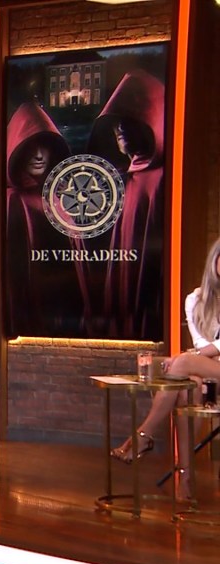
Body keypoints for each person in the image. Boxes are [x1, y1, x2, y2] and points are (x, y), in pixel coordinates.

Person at [111, 238, 220, 500]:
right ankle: (186, 478)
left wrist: (187, 358)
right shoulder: (195, 300)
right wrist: (193, 358)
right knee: (188, 389)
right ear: (214, 261)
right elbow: (201, 344)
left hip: (211, 367)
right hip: (208, 372)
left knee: (180, 363)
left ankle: (142, 435)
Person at [88, 70, 166, 340]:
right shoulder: (123, 180)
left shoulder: (159, 182)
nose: (120, 129)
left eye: (128, 121)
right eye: (116, 123)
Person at [3, 101, 81, 337]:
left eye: (43, 147)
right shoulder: (13, 201)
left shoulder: (56, 198)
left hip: (66, 313)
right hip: (33, 318)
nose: (38, 155)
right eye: (30, 147)